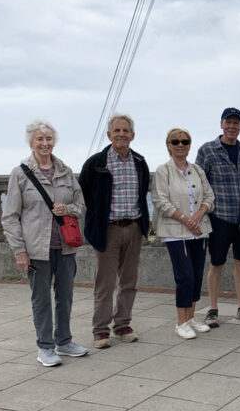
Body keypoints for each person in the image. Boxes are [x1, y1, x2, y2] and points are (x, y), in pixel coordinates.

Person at [3, 120, 88, 366]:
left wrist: (67, 208)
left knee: (65, 296)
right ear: (31, 142)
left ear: (54, 142)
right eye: (39, 139)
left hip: (65, 246)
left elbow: (81, 206)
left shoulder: (65, 171)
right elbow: (10, 217)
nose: (45, 143)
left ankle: (64, 342)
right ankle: (45, 347)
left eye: (48, 139)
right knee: (41, 299)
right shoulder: (20, 173)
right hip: (35, 249)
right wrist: (19, 251)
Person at [80, 113, 150, 349]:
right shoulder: (96, 163)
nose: (121, 134)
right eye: (117, 131)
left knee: (129, 281)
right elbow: (84, 196)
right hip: (108, 230)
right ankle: (100, 330)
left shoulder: (139, 162)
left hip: (133, 227)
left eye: (125, 131)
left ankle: (122, 325)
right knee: (105, 283)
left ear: (132, 135)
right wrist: (93, 226)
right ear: (109, 135)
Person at [195, 108, 240, 327]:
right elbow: (199, 184)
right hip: (218, 217)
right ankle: (212, 308)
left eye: (236, 123)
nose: (232, 127)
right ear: (221, 124)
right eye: (228, 122)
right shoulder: (207, 150)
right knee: (217, 263)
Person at [153, 128, 215, 339]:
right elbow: (161, 201)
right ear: (168, 145)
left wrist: (198, 214)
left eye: (185, 141)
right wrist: (186, 219)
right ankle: (180, 321)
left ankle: (190, 317)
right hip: (175, 232)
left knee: (197, 275)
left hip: (199, 230)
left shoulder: (197, 169)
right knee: (185, 276)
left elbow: (209, 197)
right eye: (175, 141)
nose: (181, 145)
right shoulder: (163, 171)